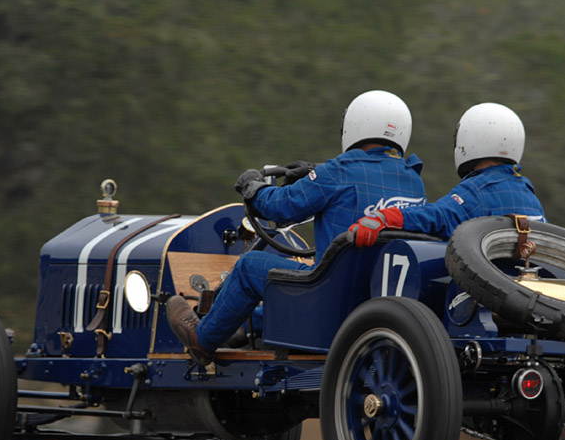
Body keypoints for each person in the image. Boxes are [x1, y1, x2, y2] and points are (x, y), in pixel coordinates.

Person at [167, 90, 427, 364]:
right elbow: (361, 184)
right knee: (293, 268)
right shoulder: (413, 181)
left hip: (329, 304)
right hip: (378, 305)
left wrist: (253, 188)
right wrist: (314, 172)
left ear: (354, 126)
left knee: (249, 266)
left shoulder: (338, 172)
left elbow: (282, 207)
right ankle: (241, 328)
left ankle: (202, 340)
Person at [350, 102, 545, 246]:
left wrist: (386, 218)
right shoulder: (528, 192)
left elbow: (438, 216)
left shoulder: (478, 190)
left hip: (481, 296)